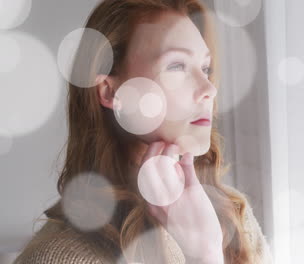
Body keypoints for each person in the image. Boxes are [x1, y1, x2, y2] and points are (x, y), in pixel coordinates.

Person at [12, 0, 273, 263]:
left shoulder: (231, 213)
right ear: (111, 92)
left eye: (205, 68)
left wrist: (209, 249)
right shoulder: (60, 257)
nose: (209, 89)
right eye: (176, 66)